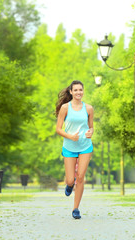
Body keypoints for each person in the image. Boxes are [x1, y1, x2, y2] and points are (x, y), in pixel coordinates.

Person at [55, 80, 94, 219]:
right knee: (71, 180)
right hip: (69, 147)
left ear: (83, 91)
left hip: (85, 146)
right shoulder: (65, 108)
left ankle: (76, 208)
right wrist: (70, 136)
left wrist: (90, 132)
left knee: (81, 177)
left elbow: (91, 127)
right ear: (71, 92)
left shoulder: (89, 108)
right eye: (76, 90)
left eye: (80, 90)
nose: (79, 92)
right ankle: (69, 185)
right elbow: (58, 129)